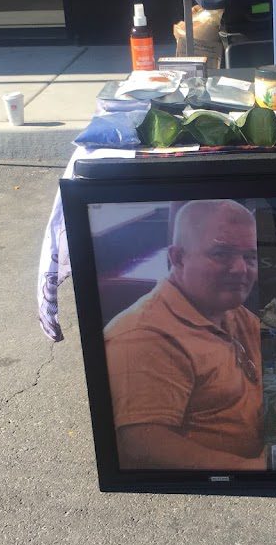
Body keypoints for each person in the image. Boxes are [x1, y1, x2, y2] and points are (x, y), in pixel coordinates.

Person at [104, 199, 265, 470]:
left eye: (249, 257)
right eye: (221, 254)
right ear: (177, 258)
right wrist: (255, 472)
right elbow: (143, 446)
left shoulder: (228, 310)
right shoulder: (145, 336)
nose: (240, 269)